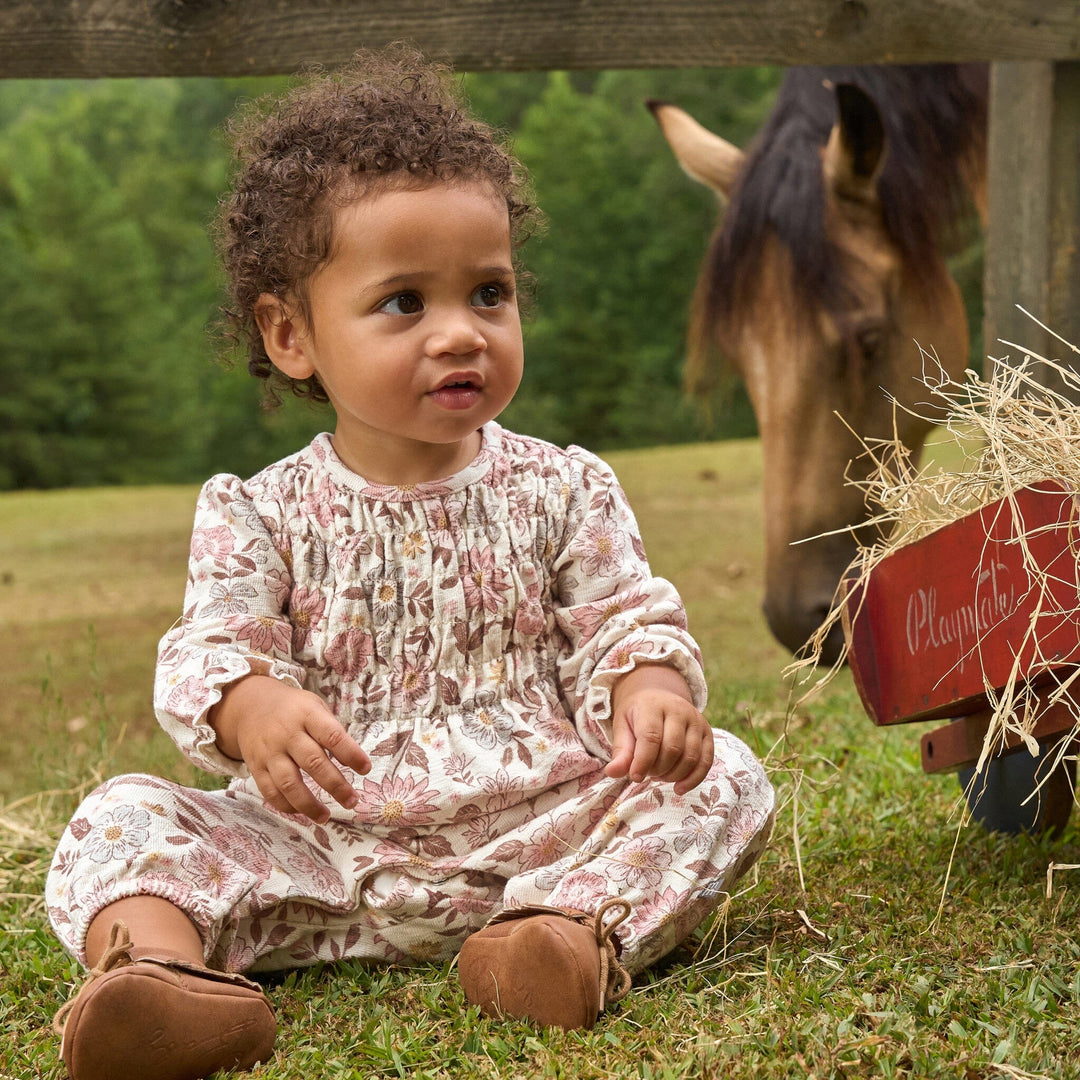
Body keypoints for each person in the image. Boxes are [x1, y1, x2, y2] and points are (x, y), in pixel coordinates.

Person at [46, 46, 775, 1080]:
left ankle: (561, 943)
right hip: (321, 851)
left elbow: (623, 621)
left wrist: (651, 691)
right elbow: (212, 646)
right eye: (404, 304)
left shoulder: (565, 489)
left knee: (727, 781)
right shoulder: (258, 512)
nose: (460, 334)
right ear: (291, 333)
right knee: (122, 815)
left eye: (488, 293)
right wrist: (251, 707)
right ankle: (163, 982)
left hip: (539, 836)